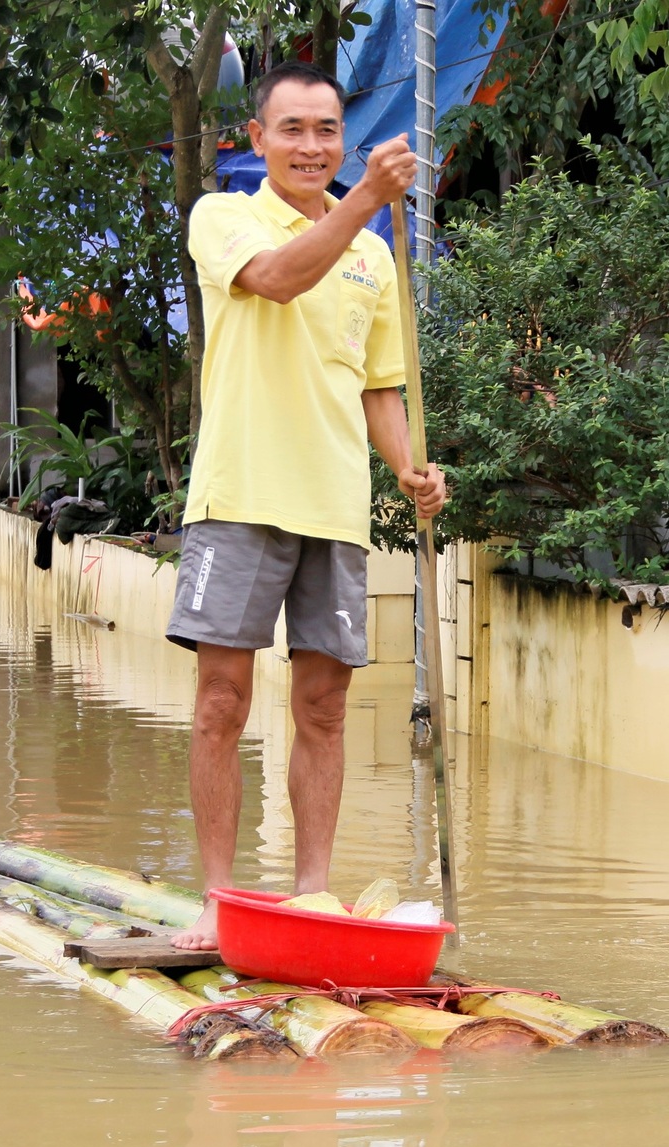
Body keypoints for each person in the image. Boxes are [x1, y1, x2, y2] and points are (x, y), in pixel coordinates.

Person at [166, 61, 447, 951]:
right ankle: (218, 899)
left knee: (323, 708)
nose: (311, 146)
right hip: (240, 492)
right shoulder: (223, 217)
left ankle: (312, 897)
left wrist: (411, 468)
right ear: (258, 138)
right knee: (222, 700)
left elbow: (379, 389)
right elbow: (280, 279)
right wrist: (366, 196)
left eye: (327, 130)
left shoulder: (374, 254)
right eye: (292, 128)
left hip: (335, 509)